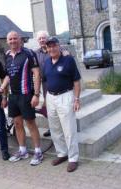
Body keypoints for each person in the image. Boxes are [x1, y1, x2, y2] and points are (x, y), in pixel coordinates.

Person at [0, 31, 43, 166]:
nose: (13, 41)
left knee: (30, 123)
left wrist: (36, 94)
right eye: (10, 39)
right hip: (13, 95)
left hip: (26, 94)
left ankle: (38, 152)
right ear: (7, 41)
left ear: (20, 39)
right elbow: (7, 76)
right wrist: (3, 94)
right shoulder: (7, 55)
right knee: (17, 124)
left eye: (15, 38)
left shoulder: (28, 53)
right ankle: (23, 151)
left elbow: (37, 73)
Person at [43, 37, 81, 172]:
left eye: (54, 46)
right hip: (51, 97)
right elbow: (45, 80)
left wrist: (76, 99)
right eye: (49, 47)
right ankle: (62, 153)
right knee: (55, 129)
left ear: (59, 47)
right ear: (46, 49)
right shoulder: (47, 62)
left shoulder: (68, 60)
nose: (52, 49)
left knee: (69, 129)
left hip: (65, 96)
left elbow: (76, 81)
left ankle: (73, 158)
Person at [35, 30, 50, 137]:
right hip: (44, 84)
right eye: (40, 38)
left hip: (56, 82)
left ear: (47, 39)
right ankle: (52, 127)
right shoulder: (36, 53)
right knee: (48, 106)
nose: (42, 40)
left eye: (43, 38)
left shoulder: (53, 49)